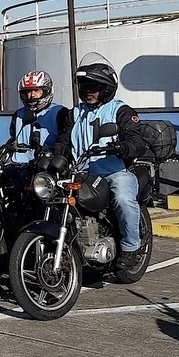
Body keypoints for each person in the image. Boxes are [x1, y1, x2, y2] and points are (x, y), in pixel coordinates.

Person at [51, 52, 147, 270]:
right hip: (81, 172)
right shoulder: (75, 113)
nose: (88, 92)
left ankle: (131, 248)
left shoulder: (121, 111)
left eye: (93, 88)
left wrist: (122, 147)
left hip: (114, 172)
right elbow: (64, 141)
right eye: (84, 88)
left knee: (123, 198)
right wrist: (52, 152)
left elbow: (137, 142)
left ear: (106, 89)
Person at [10, 71, 68, 163]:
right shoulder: (18, 115)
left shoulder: (60, 113)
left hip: (47, 167)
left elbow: (65, 143)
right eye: (28, 91)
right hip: (19, 166)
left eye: (36, 91)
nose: (32, 95)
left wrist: (50, 152)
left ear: (46, 91)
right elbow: (13, 139)